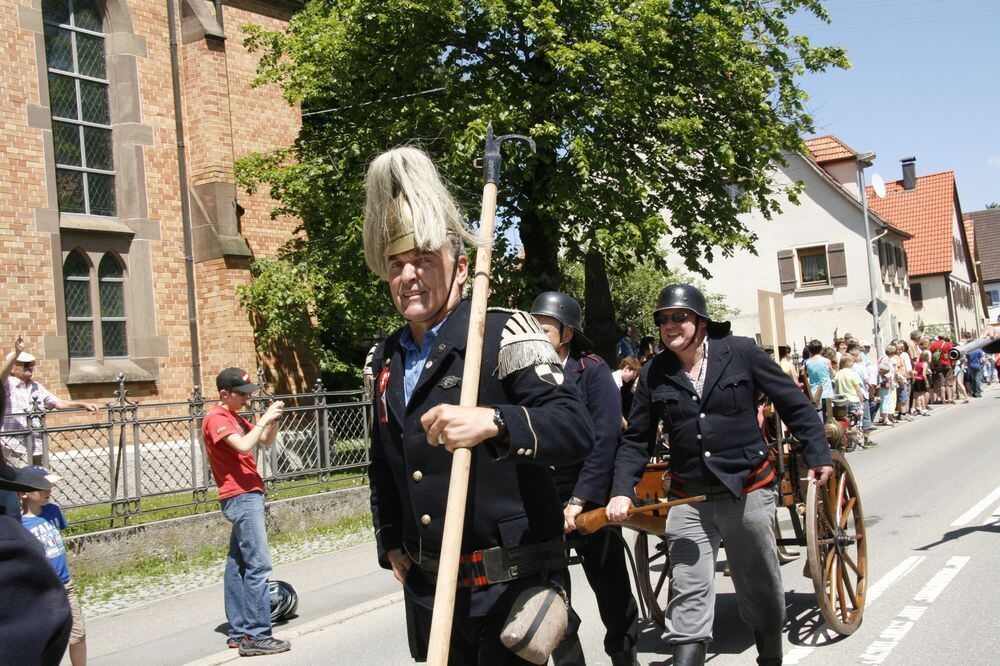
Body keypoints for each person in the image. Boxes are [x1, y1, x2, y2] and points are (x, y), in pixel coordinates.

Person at [361, 146, 593, 663]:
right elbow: (384, 461)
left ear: (461, 266)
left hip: (512, 589)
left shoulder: (507, 331)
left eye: (423, 260)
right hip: (432, 593)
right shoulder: (385, 356)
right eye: (397, 264)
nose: (409, 276)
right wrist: (389, 539)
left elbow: (574, 428)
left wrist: (493, 421)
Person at [606, 284, 832, 666]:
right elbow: (636, 439)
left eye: (679, 316)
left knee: (758, 582)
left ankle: (771, 659)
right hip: (688, 496)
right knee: (688, 589)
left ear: (701, 321)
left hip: (746, 487)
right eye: (663, 319)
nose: (670, 325)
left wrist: (817, 452)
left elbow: (791, 401)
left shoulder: (741, 352)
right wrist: (622, 490)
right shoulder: (655, 373)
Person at [530, 292, 640, 665]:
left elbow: (605, 439)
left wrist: (579, 499)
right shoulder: (524, 373)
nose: (536, 334)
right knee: (550, 592)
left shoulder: (592, 370)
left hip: (592, 496)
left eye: (543, 328)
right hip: (545, 502)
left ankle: (624, 654)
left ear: (566, 334)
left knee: (611, 587)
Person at [202, 368, 290, 657]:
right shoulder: (216, 417)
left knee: (238, 565)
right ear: (224, 394)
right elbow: (242, 446)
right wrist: (263, 419)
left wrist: (272, 421)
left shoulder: (232, 416)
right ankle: (257, 635)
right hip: (240, 496)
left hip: (247, 493)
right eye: (242, 394)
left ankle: (240, 631)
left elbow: (262, 441)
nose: (247, 398)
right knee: (258, 565)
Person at [18, 467, 86, 665]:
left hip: (65, 584)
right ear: (23, 493)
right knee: (44, 640)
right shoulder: (19, 523)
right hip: (39, 590)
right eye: (42, 487)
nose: (49, 490)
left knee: (78, 634)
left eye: (50, 485)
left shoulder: (53, 511)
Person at [1, 336, 99, 466]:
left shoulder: (36, 386)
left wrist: (83, 404)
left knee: (38, 480)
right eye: (26, 365)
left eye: (32, 365)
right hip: (13, 445)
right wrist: (16, 354)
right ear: (13, 367)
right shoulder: (8, 384)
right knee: (19, 482)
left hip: (36, 445)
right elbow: (2, 375)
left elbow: (59, 403)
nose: (30, 368)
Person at [804, 339, 833, 416]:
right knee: (828, 416)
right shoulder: (826, 361)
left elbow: (807, 374)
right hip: (826, 391)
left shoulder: (807, 362)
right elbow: (831, 375)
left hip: (814, 392)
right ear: (820, 349)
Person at [614, 356, 641, 423]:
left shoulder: (618, 381)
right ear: (627, 368)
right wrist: (627, 427)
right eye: (634, 374)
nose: (633, 378)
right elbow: (616, 411)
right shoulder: (615, 382)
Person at [928, 336, 956, 404]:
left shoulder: (934, 345)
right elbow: (953, 354)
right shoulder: (948, 344)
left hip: (938, 366)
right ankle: (949, 398)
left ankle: (943, 399)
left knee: (941, 383)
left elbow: (931, 355)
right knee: (948, 382)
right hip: (948, 365)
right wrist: (953, 363)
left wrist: (933, 365)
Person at [912, 351, 931, 415]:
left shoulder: (917, 363)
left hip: (916, 380)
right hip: (920, 380)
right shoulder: (925, 364)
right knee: (922, 395)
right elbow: (923, 374)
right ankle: (923, 409)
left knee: (915, 396)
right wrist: (926, 382)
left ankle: (913, 409)